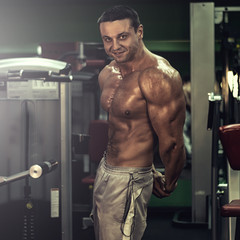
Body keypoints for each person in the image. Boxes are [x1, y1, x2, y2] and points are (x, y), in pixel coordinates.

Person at [91, 5, 186, 240]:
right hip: (105, 170)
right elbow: (123, 128)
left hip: (130, 177)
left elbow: (172, 142)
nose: (115, 46)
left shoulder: (158, 76)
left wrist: (170, 181)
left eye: (122, 36)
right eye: (107, 39)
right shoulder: (107, 73)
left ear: (139, 32)